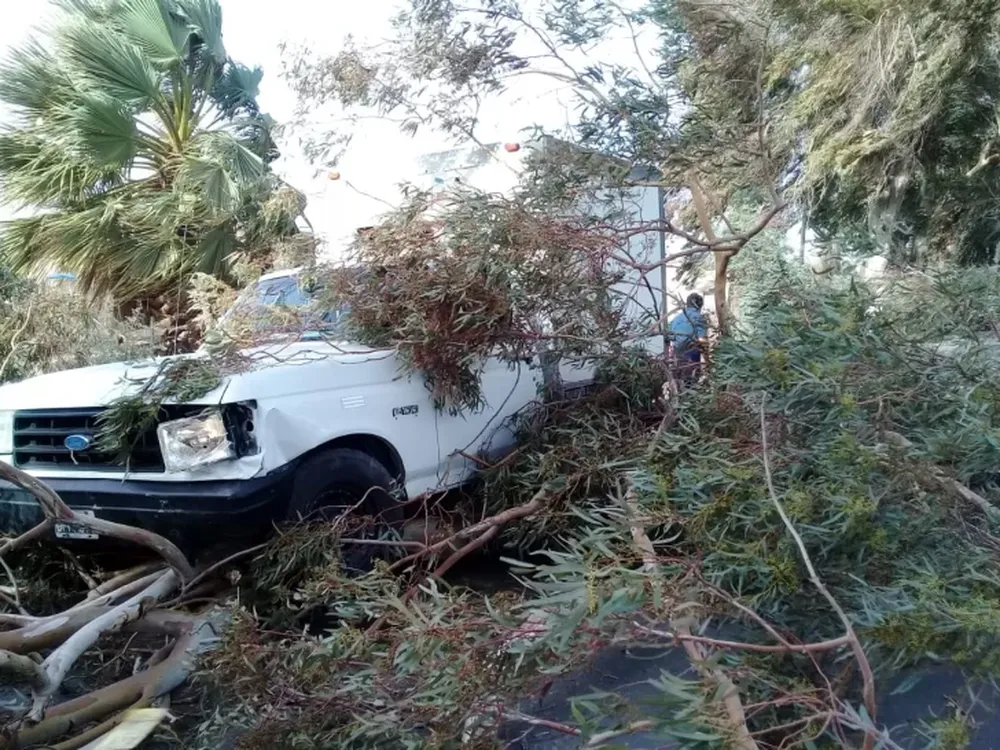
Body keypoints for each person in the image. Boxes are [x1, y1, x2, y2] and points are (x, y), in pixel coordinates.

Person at [668, 293, 708, 384]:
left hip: (676, 355)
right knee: (691, 384)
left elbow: (670, 338)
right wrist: (708, 360)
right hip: (691, 354)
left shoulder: (676, 318)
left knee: (678, 383)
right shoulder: (699, 318)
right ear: (700, 305)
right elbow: (702, 340)